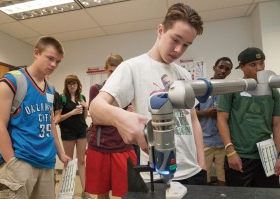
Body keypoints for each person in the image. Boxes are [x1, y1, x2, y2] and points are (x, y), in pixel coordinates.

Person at [90, 3, 207, 185]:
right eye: (175, 40)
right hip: (157, 174)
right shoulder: (133, 67)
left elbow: (193, 120)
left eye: (186, 45)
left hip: (193, 171)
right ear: (160, 30)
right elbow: (96, 107)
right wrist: (120, 118)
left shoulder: (183, 74)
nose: (178, 50)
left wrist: (202, 164)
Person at [0, 36, 71, 198]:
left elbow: (50, 124)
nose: (54, 65)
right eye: (50, 58)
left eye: (58, 61)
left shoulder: (50, 89)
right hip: (21, 161)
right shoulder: (12, 81)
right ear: (36, 53)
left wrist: (60, 154)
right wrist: (12, 162)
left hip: (47, 164)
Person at [217, 47, 280, 187]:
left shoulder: (273, 91)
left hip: (267, 154)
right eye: (253, 64)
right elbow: (221, 120)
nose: (259, 68)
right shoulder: (232, 88)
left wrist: (279, 154)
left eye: (261, 63)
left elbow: (277, 125)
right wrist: (230, 151)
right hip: (240, 155)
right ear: (242, 67)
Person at [86, 53, 137, 199]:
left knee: (126, 192)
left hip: (123, 145)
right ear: (105, 70)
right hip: (100, 146)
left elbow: (132, 117)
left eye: (118, 71)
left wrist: (109, 114)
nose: (115, 75)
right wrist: (123, 114)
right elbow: (96, 118)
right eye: (111, 71)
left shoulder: (128, 90)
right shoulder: (96, 89)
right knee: (102, 194)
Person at [196, 57, 233, 185]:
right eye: (221, 67)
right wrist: (207, 112)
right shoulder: (201, 88)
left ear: (229, 73)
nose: (223, 71)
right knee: (203, 175)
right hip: (205, 141)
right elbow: (191, 113)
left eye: (227, 69)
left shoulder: (230, 90)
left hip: (223, 143)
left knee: (223, 176)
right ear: (214, 67)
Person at [58, 75, 91, 199]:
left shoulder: (81, 98)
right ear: (66, 85)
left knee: (82, 161)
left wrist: (86, 107)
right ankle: (67, 192)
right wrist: (72, 112)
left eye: (74, 83)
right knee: (69, 161)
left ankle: (85, 191)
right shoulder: (62, 98)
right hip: (68, 132)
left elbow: (83, 117)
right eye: (70, 84)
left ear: (78, 85)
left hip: (81, 131)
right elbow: (58, 118)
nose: (72, 86)